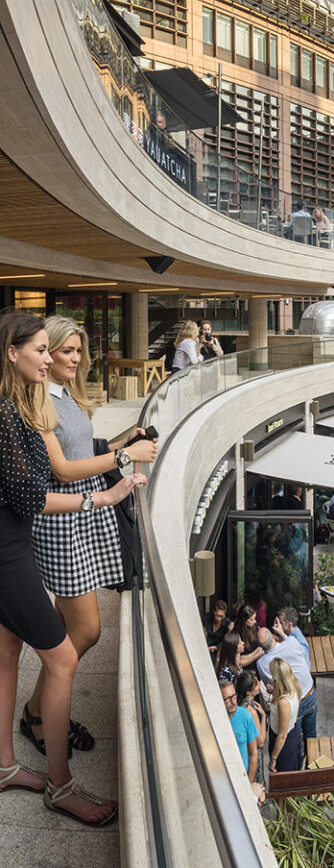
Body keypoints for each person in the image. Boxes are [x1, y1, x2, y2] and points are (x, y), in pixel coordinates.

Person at [0, 309, 141, 824]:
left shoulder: (19, 405)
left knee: (7, 651)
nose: (50, 358)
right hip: (8, 551)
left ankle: (5, 766)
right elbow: (34, 494)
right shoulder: (9, 412)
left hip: (11, 544)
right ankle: (61, 787)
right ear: (12, 354)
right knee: (61, 659)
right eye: (40, 349)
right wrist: (100, 499)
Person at [25, 316, 153, 757]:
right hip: (62, 520)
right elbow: (61, 469)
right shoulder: (40, 400)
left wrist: (123, 441)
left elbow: (82, 450)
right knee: (87, 630)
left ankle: (41, 710)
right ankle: (38, 710)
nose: (75, 359)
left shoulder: (66, 395)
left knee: (68, 626)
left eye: (79, 352)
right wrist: (124, 455)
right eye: (65, 351)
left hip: (79, 514)